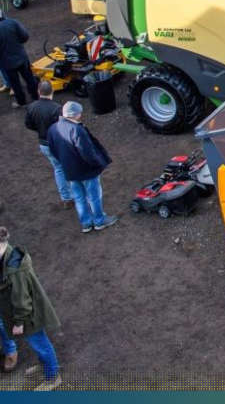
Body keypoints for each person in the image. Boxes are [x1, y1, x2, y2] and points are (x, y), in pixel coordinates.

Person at [0, 226, 62, 390]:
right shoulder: (7, 254)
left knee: (40, 344)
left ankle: (53, 377)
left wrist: (19, 323)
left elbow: (22, 300)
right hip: (26, 312)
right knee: (38, 343)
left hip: (28, 316)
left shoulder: (14, 269)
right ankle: (45, 366)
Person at [47, 101, 117, 233]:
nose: (81, 115)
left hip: (70, 171)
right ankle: (99, 221)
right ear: (75, 114)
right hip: (86, 171)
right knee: (94, 196)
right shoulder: (77, 130)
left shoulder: (53, 129)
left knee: (79, 198)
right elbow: (87, 152)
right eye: (80, 113)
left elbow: (53, 150)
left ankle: (86, 223)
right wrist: (98, 163)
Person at [24, 80, 72, 208]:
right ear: (52, 91)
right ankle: (78, 196)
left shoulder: (31, 107)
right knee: (69, 167)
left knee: (58, 169)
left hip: (44, 144)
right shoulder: (57, 109)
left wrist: (40, 130)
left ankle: (66, 198)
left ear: (38, 91)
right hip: (58, 143)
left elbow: (28, 124)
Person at [0, 10, 38, 109]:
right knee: (29, 78)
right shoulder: (13, 22)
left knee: (15, 83)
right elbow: (25, 36)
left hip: (7, 62)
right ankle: (36, 97)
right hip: (21, 56)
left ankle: (21, 102)